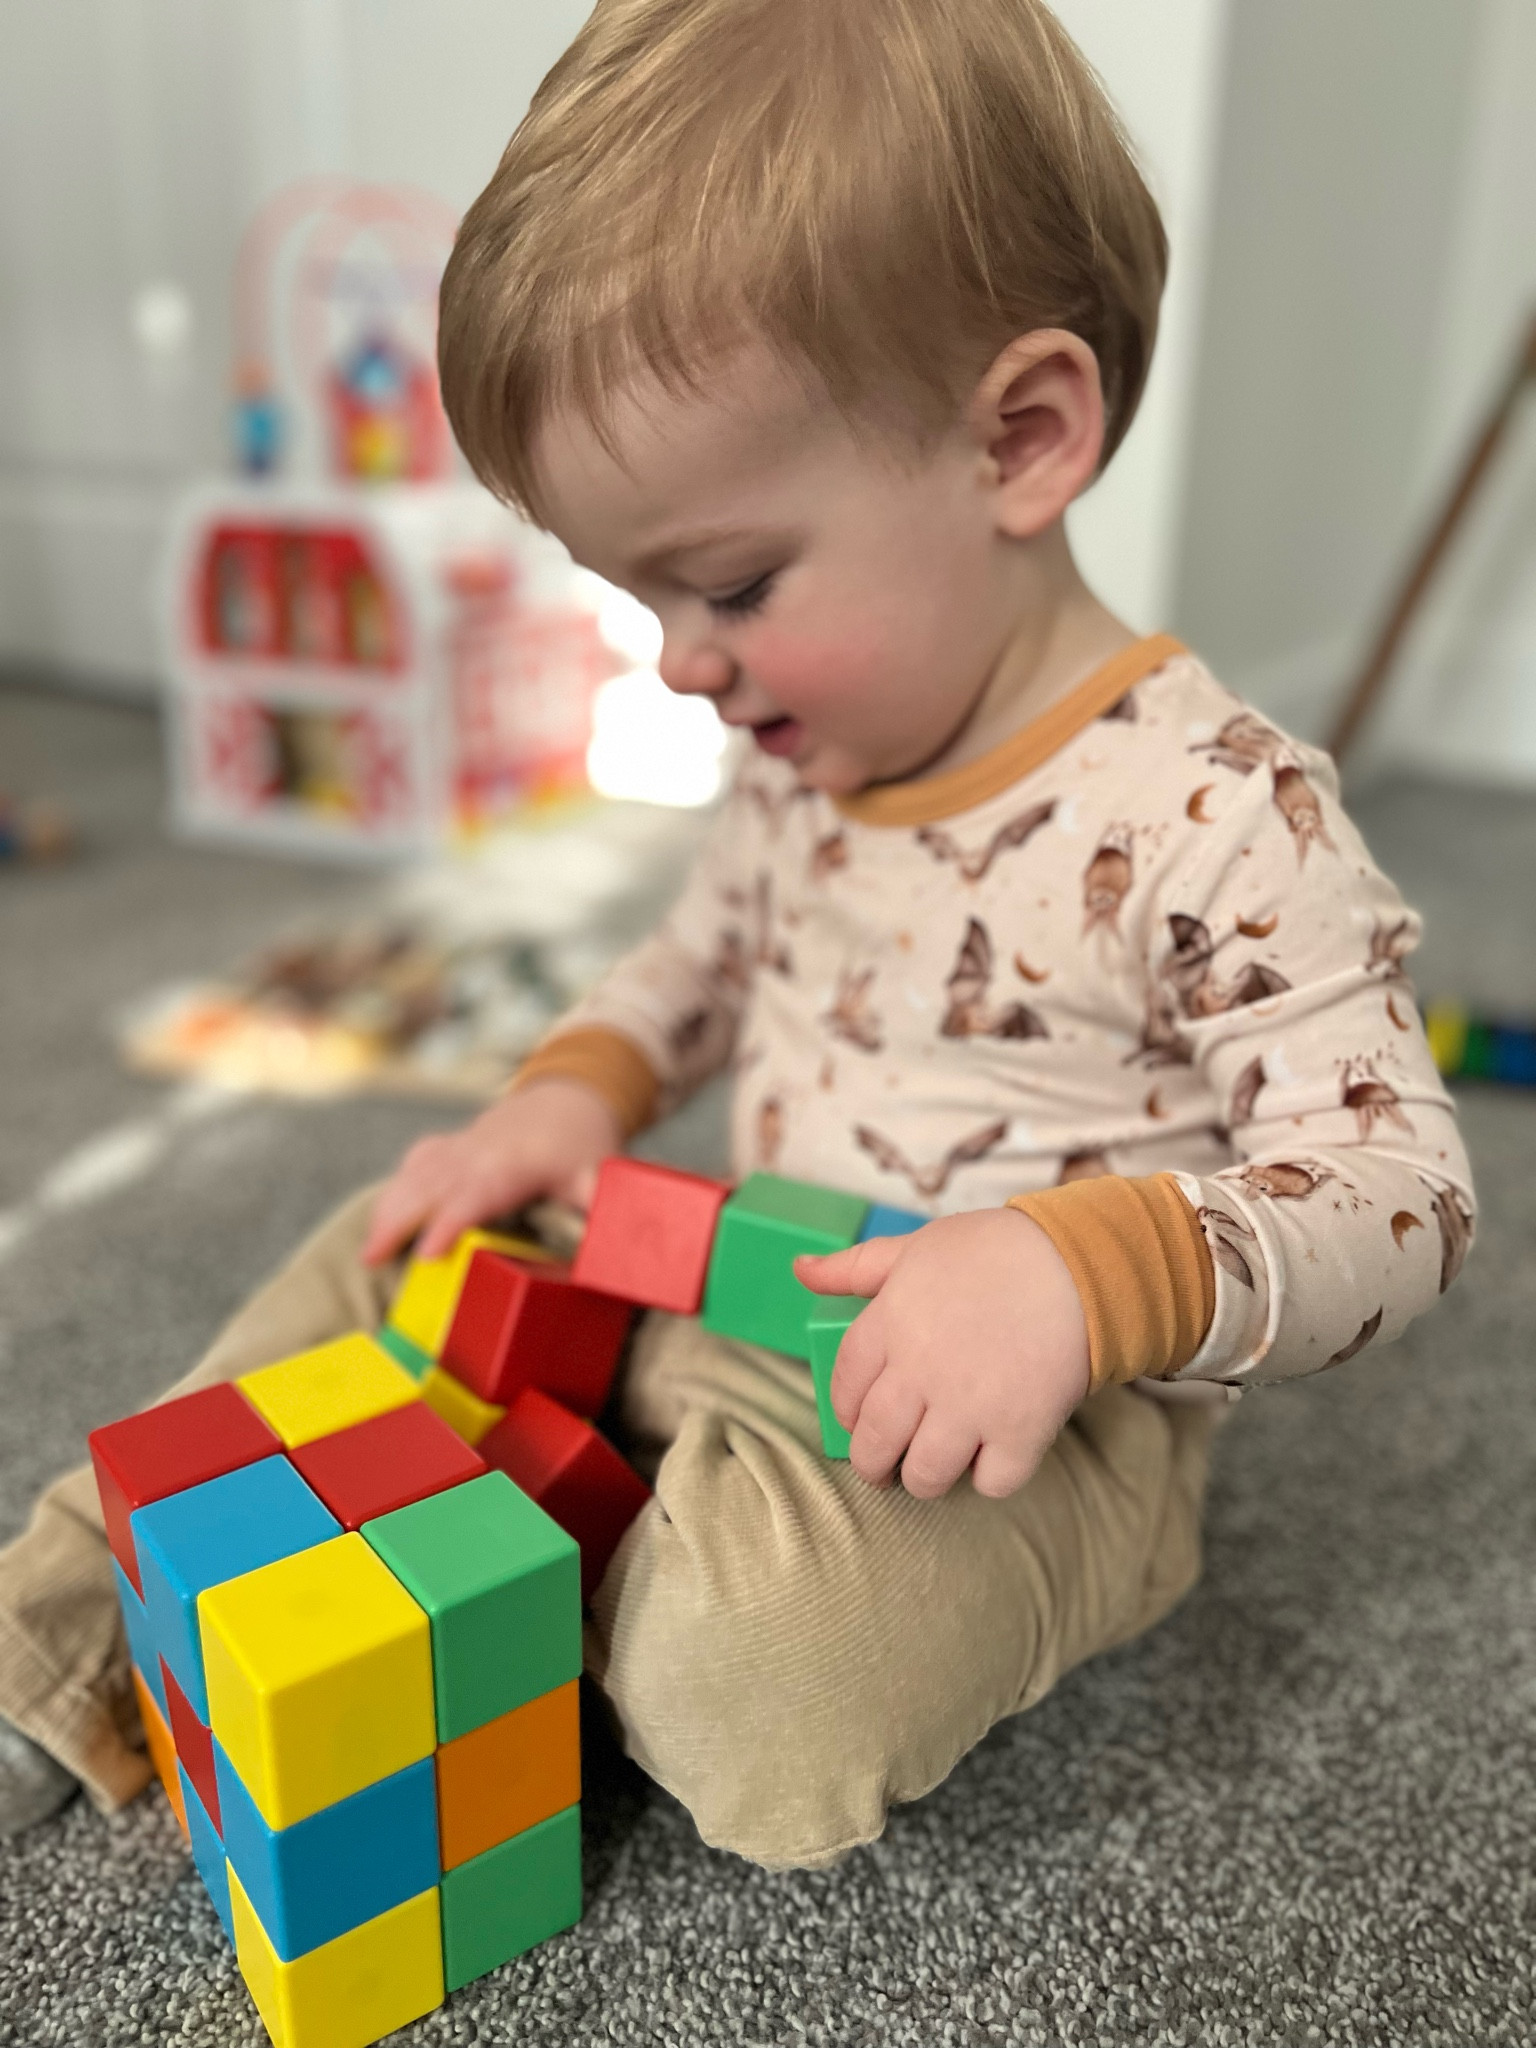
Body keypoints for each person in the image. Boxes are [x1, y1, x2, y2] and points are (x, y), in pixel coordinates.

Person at [0, 0, 1475, 1865]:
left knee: (762, 1687)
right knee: (404, 1233)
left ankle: (528, 1578)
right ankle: (71, 1629)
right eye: (642, 598)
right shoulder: (803, 743)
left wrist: (1081, 1277)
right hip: (713, 1276)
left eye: (733, 585)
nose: (685, 665)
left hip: (1014, 1426)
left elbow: (1402, 1183)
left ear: (1020, 437)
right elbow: (691, 968)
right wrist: (568, 1090)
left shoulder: (1218, 811)